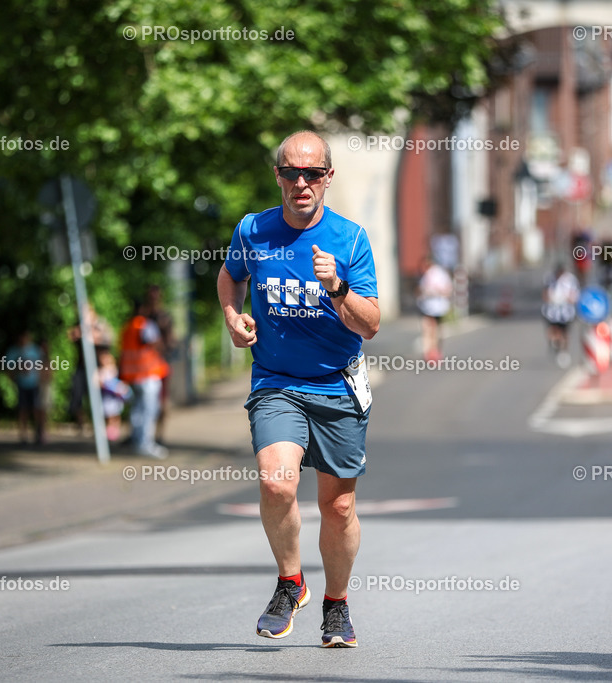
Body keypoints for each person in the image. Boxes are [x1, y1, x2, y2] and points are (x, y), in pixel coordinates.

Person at [218, 130, 379, 648]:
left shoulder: (350, 240)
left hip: (337, 385)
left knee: (338, 508)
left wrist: (337, 288)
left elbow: (370, 324)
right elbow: (229, 278)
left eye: (313, 173)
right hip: (276, 382)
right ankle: (290, 582)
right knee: (277, 483)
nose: (302, 183)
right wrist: (231, 317)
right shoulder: (253, 229)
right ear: (279, 177)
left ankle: (336, 605)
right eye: (292, 173)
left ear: (328, 177)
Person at [118, 300, 169, 459]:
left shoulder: (127, 327)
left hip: (133, 376)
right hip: (148, 374)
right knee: (149, 410)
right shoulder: (145, 325)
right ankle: (146, 444)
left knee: (137, 409)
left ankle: (136, 440)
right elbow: (155, 344)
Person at [67, 302, 115, 434]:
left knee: (100, 398)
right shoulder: (80, 326)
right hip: (82, 367)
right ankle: (81, 424)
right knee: (77, 394)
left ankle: (100, 427)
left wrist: (94, 337)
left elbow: (109, 340)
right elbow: (70, 335)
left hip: (97, 368)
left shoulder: (101, 324)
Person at [144, 284, 177, 445]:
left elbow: (172, 340)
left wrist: (164, 347)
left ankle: (159, 435)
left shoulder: (165, 317)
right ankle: (145, 435)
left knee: (162, 402)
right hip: (143, 366)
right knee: (144, 402)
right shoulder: (142, 316)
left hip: (160, 365)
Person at [6, 330, 45, 444]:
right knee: (23, 409)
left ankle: (38, 433)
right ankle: (23, 434)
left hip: (34, 384)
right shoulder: (14, 351)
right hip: (21, 385)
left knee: (36, 409)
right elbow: (9, 369)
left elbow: (43, 365)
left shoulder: (35, 351)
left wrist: (41, 380)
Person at [542, 265, 580, 368]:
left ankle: (564, 352)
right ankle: (555, 344)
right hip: (552, 312)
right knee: (553, 330)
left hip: (566, 312)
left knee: (565, 332)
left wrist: (567, 299)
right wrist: (551, 299)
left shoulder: (571, 279)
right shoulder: (549, 278)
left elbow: (575, 295)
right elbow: (545, 294)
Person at [416, 255, 452, 362]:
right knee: (428, 329)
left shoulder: (439, 274)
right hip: (427, 307)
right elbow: (420, 290)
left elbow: (447, 289)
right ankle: (429, 353)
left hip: (438, 307)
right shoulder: (424, 276)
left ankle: (435, 352)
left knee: (437, 331)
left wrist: (436, 291)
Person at [97, 348, 131, 443]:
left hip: (114, 398)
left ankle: (115, 431)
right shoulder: (101, 371)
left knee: (115, 414)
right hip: (107, 397)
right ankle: (109, 432)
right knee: (109, 415)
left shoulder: (114, 369)